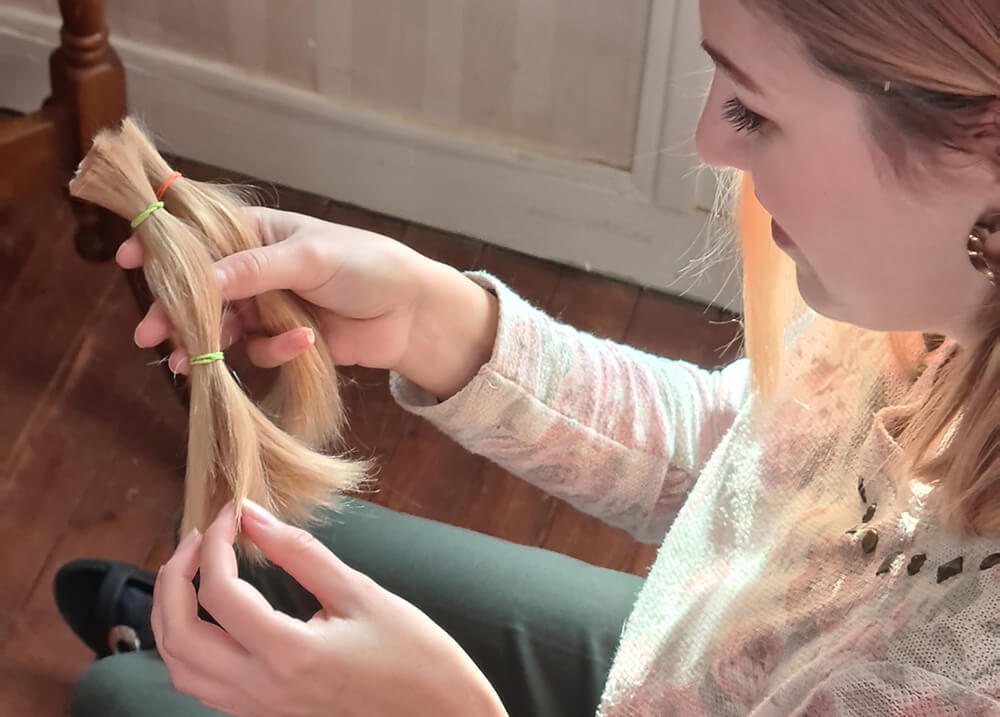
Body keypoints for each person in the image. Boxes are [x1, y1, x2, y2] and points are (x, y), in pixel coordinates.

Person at [60, 0, 999, 714]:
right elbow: (752, 456)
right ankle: (191, 631)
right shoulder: (916, 317)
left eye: (752, 108)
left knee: (121, 698)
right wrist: (432, 318)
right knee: (284, 549)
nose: (710, 141)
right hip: (690, 662)